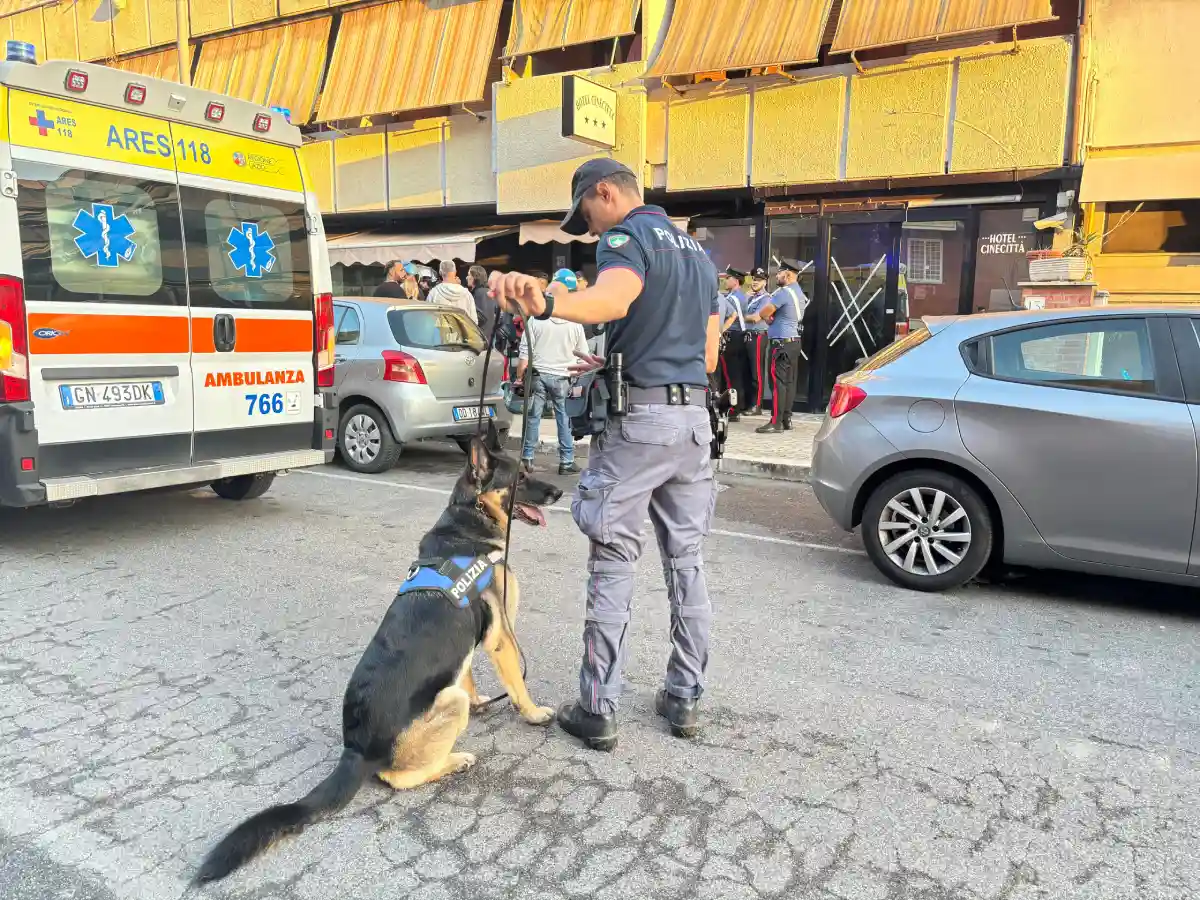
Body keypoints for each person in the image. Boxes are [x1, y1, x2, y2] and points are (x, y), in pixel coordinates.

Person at [489, 158, 721, 752]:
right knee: (686, 562)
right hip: (694, 421)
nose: (590, 232)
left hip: (639, 426)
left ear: (606, 193)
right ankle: (685, 697)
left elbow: (615, 299)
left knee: (614, 557)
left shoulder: (629, 236)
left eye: (586, 217)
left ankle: (598, 707)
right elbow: (709, 354)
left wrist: (545, 305)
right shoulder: (698, 255)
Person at [516, 270, 588, 476]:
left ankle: (527, 458)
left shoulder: (536, 320)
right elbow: (582, 356)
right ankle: (566, 461)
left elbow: (524, 354)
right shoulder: (575, 322)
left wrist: (520, 377)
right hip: (563, 378)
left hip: (538, 376)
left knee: (533, 417)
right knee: (563, 418)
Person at [747, 259, 806, 433]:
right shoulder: (799, 292)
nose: (777, 276)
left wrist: (767, 318)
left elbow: (764, 312)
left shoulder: (783, 292)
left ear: (787, 274)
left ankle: (775, 422)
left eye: (779, 273)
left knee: (778, 383)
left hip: (780, 344)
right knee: (789, 382)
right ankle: (786, 418)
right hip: (794, 342)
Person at [716, 265, 747, 421]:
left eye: (728, 278)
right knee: (734, 374)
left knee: (730, 375)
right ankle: (736, 406)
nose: (725, 280)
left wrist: (721, 330)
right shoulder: (738, 296)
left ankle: (734, 408)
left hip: (733, 337)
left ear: (735, 281)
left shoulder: (733, 298)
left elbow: (738, 318)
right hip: (737, 337)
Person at [741, 267, 771, 415]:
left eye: (758, 280)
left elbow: (756, 318)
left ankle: (757, 405)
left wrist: (742, 316)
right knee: (746, 371)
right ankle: (748, 403)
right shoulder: (750, 297)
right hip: (748, 335)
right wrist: (745, 300)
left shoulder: (766, 298)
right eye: (753, 279)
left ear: (764, 282)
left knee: (756, 372)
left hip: (758, 336)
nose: (755, 282)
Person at [426, 260, 478, 324]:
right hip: (462, 333)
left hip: (441, 333)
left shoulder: (434, 293)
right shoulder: (467, 294)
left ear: (440, 272)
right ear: (455, 272)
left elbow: (427, 319)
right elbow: (474, 321)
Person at [468, 265, 497, 337]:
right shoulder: (488, 292)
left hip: (480, 337)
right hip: (489, 336)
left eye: (468, 275)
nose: (467, 277)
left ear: (475, 277)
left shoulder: (478, 293)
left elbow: (478, 318)